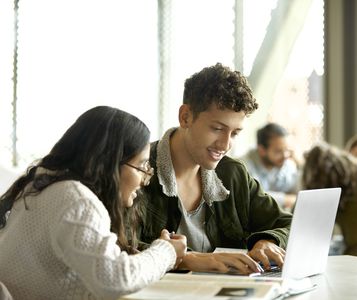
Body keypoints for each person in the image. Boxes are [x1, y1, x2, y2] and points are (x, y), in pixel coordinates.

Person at [0, 106, 187, 299]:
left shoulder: (41, 185)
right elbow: (115, 280)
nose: (143, 179)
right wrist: (167, 251)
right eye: (141, 167)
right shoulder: (76, 200)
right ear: (109, 163)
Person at [134, 63, 292, 275]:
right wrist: (189, 260)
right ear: (185, 117)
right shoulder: (137, 169)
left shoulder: (233, 174)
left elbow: (289, 224)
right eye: (217, 129)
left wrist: (268, 241)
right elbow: (119, 246)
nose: (225, 144)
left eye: (235, 133)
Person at [239, 123, 299, 210]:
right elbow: (252, 197)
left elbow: (299, 192)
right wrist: (286, 199)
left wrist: (300, 163)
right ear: (262, 150)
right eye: (278, 151)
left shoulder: (286, 164)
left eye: (287, 149)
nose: (285, 156)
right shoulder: (243, 166)